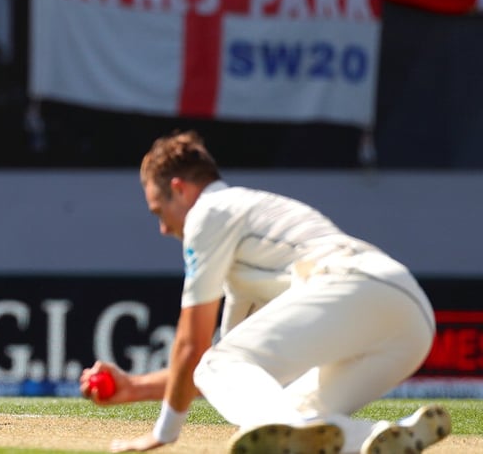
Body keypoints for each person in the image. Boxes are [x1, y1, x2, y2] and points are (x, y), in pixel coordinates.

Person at [80, 130, 451, 454]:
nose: (163, 228)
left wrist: (164, 433)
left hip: (353, 282)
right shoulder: (247, 247)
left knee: (221, 369)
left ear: (179, 188)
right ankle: (378, 437)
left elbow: (194, 350)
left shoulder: (209, 212)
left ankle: (346, 434)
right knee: (293, 417)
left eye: (159, 212)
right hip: (410, 318)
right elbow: (225, 380)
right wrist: (133, 388)